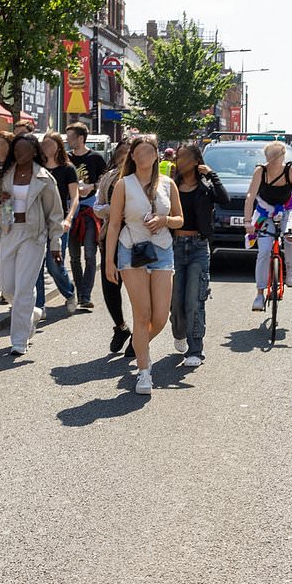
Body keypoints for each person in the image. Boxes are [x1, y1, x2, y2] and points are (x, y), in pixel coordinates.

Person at [105, 135, 183, 395]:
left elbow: (180, 220)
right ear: (133, 156)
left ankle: (140, 346)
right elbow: (114, 224)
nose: (144, 155)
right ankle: (144, 371)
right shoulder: (123, 185)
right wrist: (109, 261)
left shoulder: (168, 184)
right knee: (142, 314)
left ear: (156, 155)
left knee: (160, 317)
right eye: (139, 151)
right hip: (131, 250)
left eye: (150, 151)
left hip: (161, 250)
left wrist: (164, 219)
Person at [0, 134, 64, 356]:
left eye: (24, 150)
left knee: (24, 287)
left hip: (34, 235)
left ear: (34, 152)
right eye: (16, 150)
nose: (19, 154)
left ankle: (20, 340)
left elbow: (55, 213)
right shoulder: (4, 174)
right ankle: (31, 313)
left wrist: (55, 244)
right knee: (7, 286)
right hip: (8, 231)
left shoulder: (45, 178)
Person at [170, 143, 227, 368]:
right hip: (174, 246)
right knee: (176, 301)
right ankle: (179, 332)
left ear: (195, 161)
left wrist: (212, 174)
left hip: (198, 248)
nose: (178, 161)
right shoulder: (171, 186)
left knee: (194, 300)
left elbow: (224, 199)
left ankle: (196, 350)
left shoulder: (205, 188)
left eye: (183, 157)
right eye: (177, 157)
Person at [243, 140, 292, 310]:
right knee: (264, 251)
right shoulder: (260, 171)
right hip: (265, 212)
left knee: (291, 236)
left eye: (275, 157)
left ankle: (291, 267)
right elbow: (250, 196)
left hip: (288, 209)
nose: (271, 160)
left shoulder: (291, 171)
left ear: (282, 157)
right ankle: (259, 294)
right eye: (269, 157)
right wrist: (248, 221)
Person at [95, 141, 133, 356]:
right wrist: (112, 209)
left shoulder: (145, 179)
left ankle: (139, 335)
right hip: (111, 238)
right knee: (110, 288)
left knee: (138, 293)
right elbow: (97, 206)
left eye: (128, 154)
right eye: (121, 154)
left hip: (139, 240)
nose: (124, 158)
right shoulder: (109, 177)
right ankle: (121, 327)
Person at [36, 132, 80, 317]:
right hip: (37, 223)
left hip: (58, 222)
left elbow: (75, 197)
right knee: (36, 265)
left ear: (58, 146)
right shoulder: (36, 168)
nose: (47, 147)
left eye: (50, 144)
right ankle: (39, 306)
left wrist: (69, 218)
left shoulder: (67, 168)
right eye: (44, 144)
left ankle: (69, 292)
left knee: (54, 264)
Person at [66, 122, 108, 309]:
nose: (68, 141)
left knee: (90, 255)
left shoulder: (96, 158)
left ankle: (85, 294)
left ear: (81, 138)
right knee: (74, 256)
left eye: (71, 137)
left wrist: (93, 187)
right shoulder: (65, 159)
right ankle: (79, 290)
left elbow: (105, 180)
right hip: (71, 211)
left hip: (90, 211)